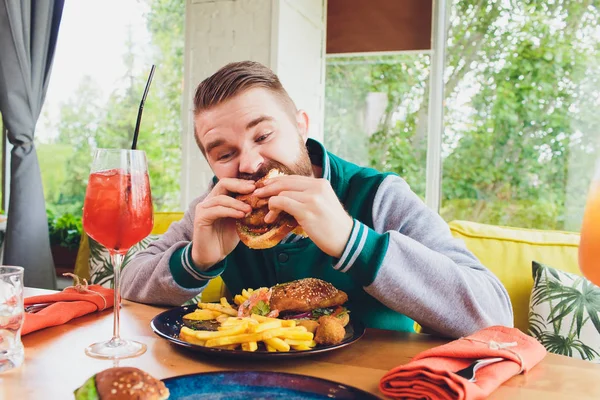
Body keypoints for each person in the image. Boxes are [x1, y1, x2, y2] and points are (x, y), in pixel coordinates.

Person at [121, 61, 513, 337]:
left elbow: (494, 315)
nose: (250, 163)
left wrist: (353, 241)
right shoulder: (214, 209)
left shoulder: (378, 196)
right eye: (224, 154)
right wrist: (197, 260)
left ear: (300, 128)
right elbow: (127, 278)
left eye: (263, 136)